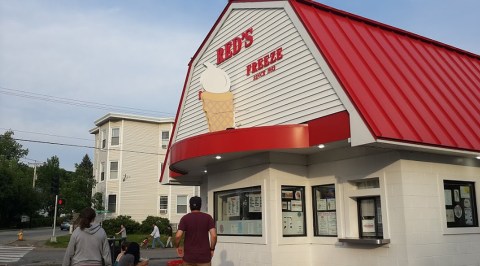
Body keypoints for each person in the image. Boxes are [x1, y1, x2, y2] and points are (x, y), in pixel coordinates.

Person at [175, 196, 217, 266]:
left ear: (189, 206)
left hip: (189, 257)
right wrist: (212, 249)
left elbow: (178, 236)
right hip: (204, 258)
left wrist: (177, 246)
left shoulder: (185, 218)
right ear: (200, 205)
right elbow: (214, 236)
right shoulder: (208, 218)